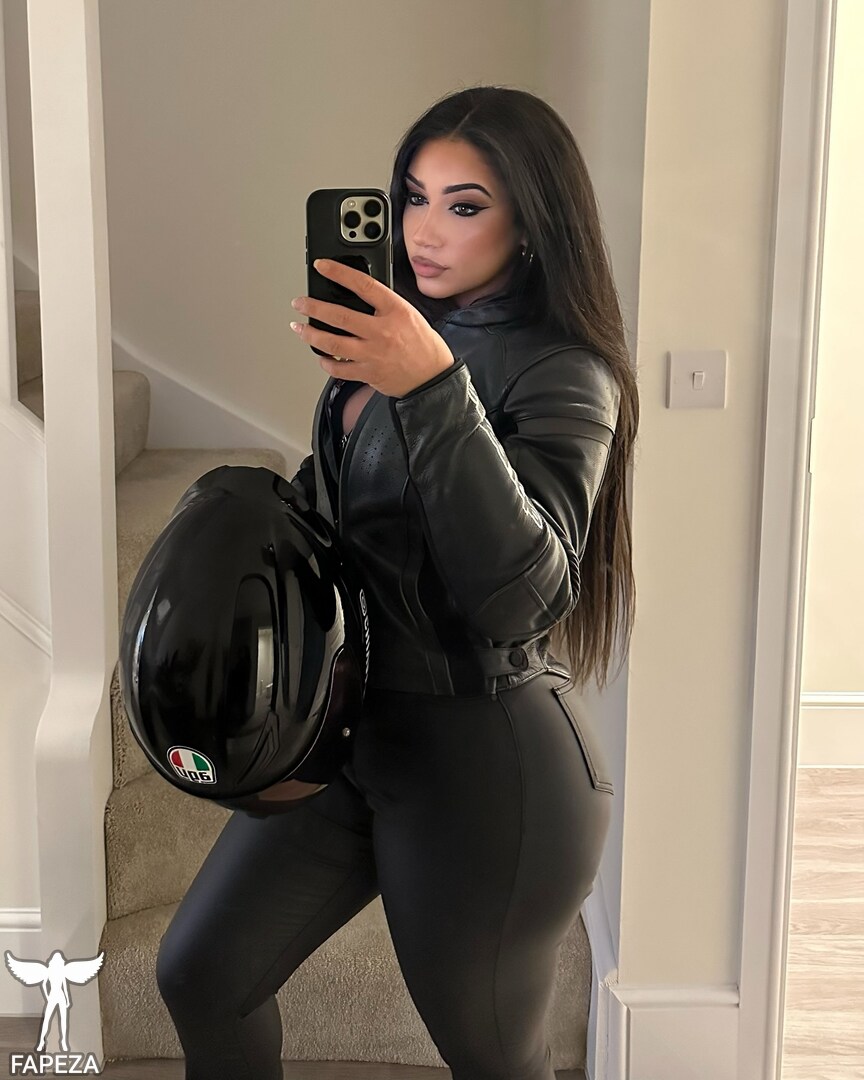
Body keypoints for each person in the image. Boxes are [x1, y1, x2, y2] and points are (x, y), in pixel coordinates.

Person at [155, 84, 639, 1080]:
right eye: (413, 196)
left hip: (489, 770)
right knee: (202, 973)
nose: (423, 229)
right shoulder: (396, 343)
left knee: (492, 1059)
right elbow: (345, 533)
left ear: (532, 221)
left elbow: (522, 595)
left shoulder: (563, 372)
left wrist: (429, 388)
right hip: (356, 737)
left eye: (465, 204)